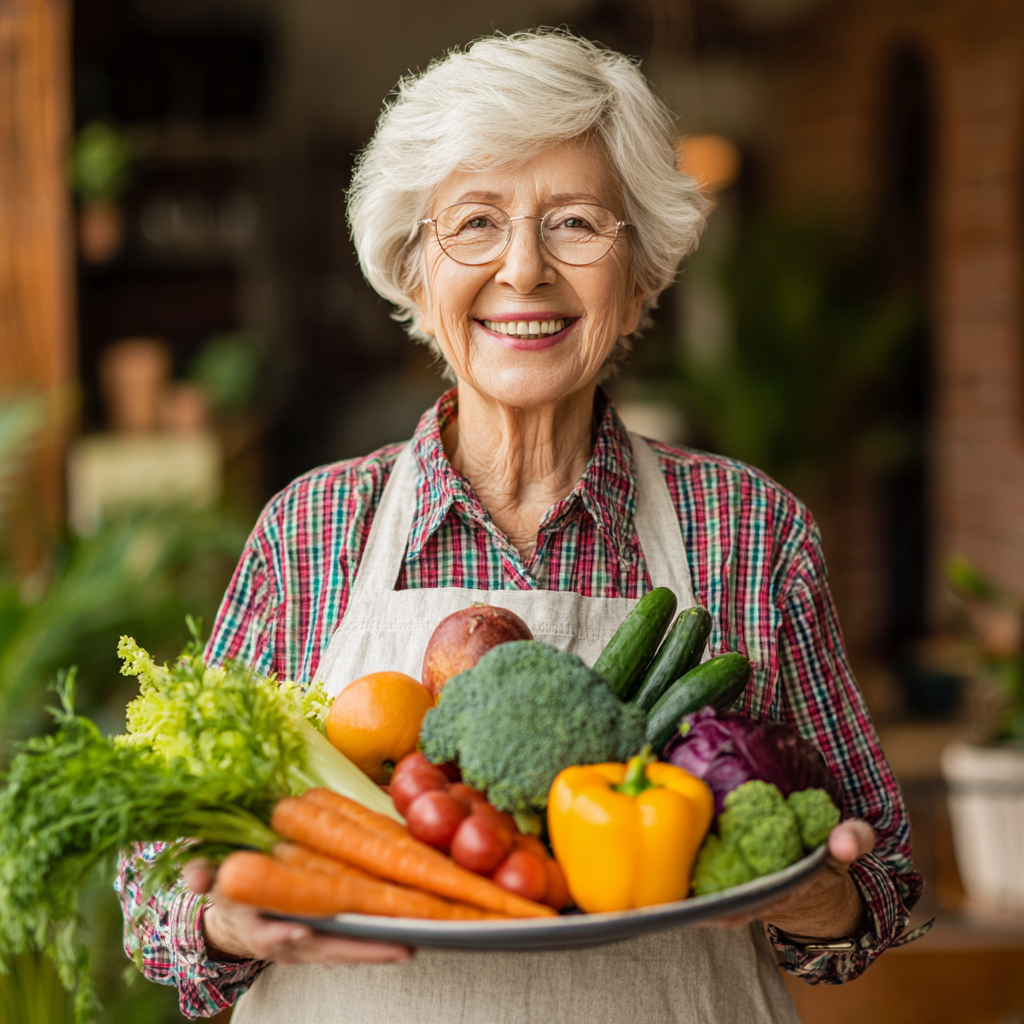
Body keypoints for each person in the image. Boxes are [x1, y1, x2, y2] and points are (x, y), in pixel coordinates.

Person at [118, 29, 923, 1023]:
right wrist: (221, 923)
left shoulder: (750, 531)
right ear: (416, 273)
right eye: (475, 224)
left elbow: (882, 877)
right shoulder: (310, 528)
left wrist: (811, 888)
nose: (524, 269)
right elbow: (153, 885)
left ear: (642, 275)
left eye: (576, 223)